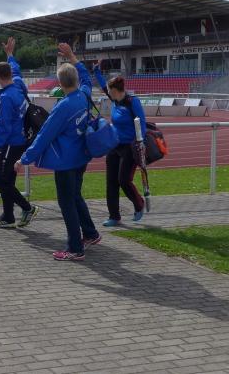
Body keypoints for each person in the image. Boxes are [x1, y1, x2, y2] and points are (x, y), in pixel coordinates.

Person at [15, 43, 100, 261]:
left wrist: (24, 159)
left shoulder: (63, 106)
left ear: (60, 84)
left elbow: (44, 136)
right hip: (81, 157)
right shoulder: (84, 95)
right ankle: (90, 233)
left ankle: (75, 248)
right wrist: (72, 56)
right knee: (76, 196)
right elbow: (86, 78)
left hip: (66, 162)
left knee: (67, 203)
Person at [0, 37, 41, 228]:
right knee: (7, 180)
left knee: (0, 181)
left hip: (10, 143)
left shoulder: (5, 97)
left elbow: (4, 126)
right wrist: (10, 55)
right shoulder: (17, 84)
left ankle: (27, 208)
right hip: (20, 141)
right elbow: (16, 70)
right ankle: (8, 217)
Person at [92, 67, 146, 227]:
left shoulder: (132, 102)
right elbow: (104, 86)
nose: (108, 93)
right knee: (111, 182)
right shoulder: (115, 99)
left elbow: (141, 123)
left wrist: (141, 141)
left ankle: (139, 203)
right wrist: (97, 71)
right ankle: (114, 216)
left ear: (116, 90)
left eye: (110, 91)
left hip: (130, 147)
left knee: (124, 180)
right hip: (114, 146)